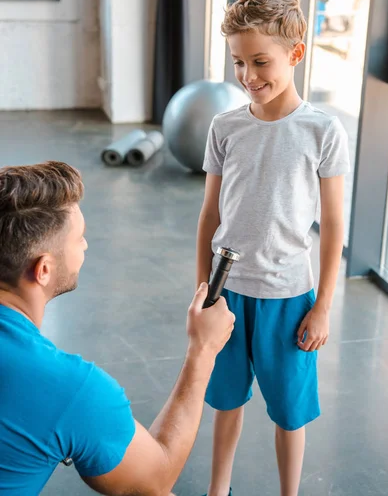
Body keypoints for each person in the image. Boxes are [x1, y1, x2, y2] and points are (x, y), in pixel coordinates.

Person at [196, 0, 350, 496]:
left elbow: (332, 229)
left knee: (290, 412)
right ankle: (219, 490)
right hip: (227, 295)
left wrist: (323, 306)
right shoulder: (225, 126)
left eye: (260, 61)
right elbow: (209, 215)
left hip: (289, 297)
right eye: (239, 63)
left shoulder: (322, 132)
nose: (247, 76)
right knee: (225, 403)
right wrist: (204, 290)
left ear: (297, 53)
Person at [0, 161, 235, 496]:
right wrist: (203, 349)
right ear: (44, 270)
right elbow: (156, 479)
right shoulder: (69, 388)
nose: (84, 245)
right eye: (78, 238)